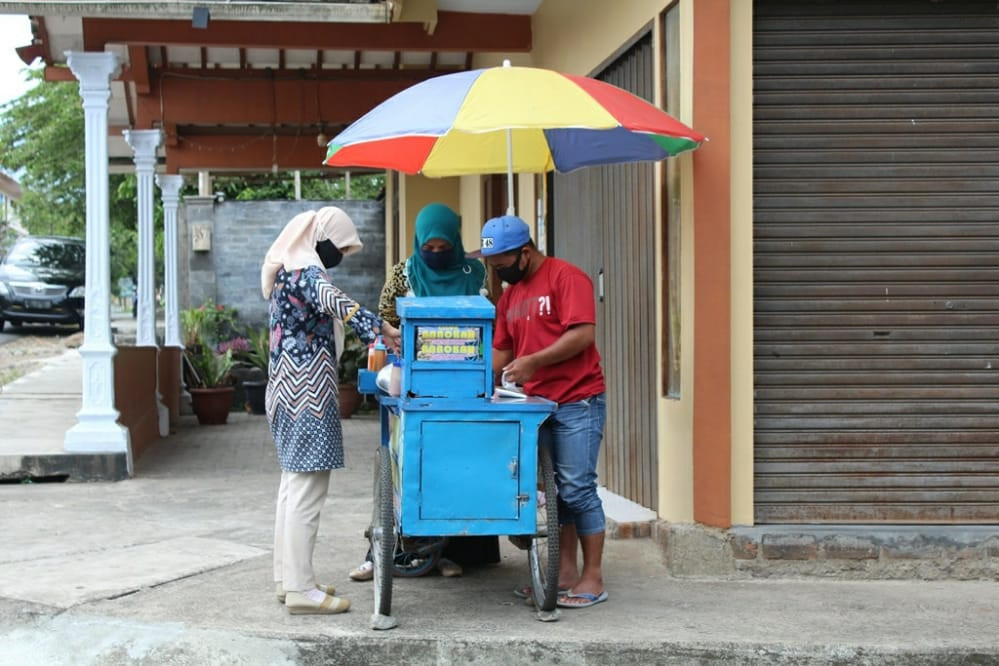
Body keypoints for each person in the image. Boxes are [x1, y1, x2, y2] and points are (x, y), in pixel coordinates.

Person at [262, 206, 400, 615]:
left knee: (292, 488)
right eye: (338, 246)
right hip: (307, 395)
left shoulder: (287, 271)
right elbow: (338, 303)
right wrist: (382, 329)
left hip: (285, 391)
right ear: (320, 238)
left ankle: (288, 580)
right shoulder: (307, 272)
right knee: (307, 491)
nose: (339, 255)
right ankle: (302, 590)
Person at [349, 202, 490, 582]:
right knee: (406, 458)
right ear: (419, 242)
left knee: (456, 461)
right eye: (432, 248)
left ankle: (445, 551)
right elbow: (385, 321)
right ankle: (386, 549)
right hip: (414, 375)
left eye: (445, 249)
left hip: (465, 378)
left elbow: (486, 316)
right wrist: (402, 348)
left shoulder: (474, 271)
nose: (437, 255)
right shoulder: (404, 273)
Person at [475, 214, 609, 610]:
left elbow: (583, 333)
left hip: (577, 399)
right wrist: (471, 371)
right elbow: (502, 351)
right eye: (493, 268)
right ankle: (564, 573)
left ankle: (594, 576)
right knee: (555, 495)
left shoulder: (567, 278)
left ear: (526, 252)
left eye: (503, 265)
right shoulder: (510, 298)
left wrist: (533, 362)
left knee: (578, 488)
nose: (500, 275)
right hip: (536, 406)